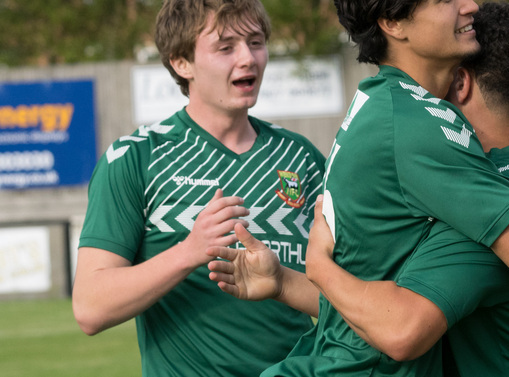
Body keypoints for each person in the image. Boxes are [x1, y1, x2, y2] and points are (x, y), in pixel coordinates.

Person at [209, 0, 509, 376]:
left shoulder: (399, 105)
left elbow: (388, 302)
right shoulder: (423, 132)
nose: (470, 5)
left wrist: (296, 279)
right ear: (393, 23)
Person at [71, 0, 326, 375]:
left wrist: (284, 283)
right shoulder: (137, 158)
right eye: (226, 47)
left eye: (256, 42)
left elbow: (353, 299)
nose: (248, 59)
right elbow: (90, 308)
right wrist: (189, 252)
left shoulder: (301, 157)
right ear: (181, 62)